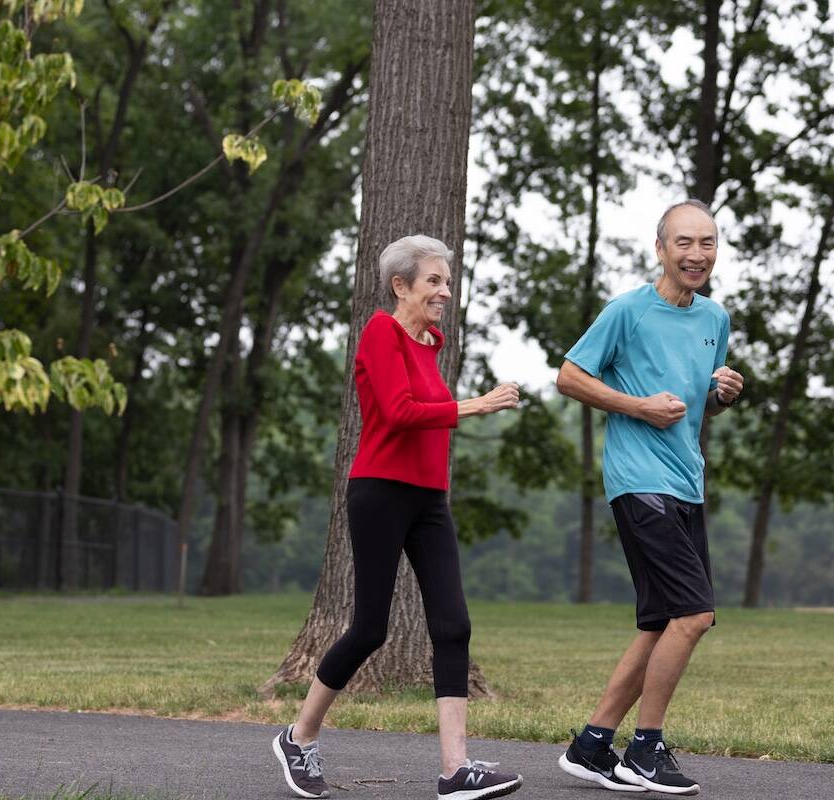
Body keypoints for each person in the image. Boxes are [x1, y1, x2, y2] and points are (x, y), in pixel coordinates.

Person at [273, 235, 524, 800]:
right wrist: (477, 404)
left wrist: (463, 408)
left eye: (446, 282)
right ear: (401, 285)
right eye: (434, 281)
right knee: (369, 628)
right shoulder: (380, 332)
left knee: (454, 624)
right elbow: (399, 411)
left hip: (429, 498)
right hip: (380, 491)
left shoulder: (432, 343)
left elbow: (424, 410)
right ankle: (299, 736)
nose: (445, 291)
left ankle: (455, 769)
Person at [554, 199, 744, 797]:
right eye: (684, 243)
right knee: (694, 615)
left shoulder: (716, 318)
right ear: (660, 248)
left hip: (687, 483)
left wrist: (720, 394)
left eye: (707, 243)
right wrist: (637, 407)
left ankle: (591, 744)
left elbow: (697, 402)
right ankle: (645, 748)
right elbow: (569, 375)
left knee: (663, 621)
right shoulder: (629, 311)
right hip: (639, 482)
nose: (696, 254)